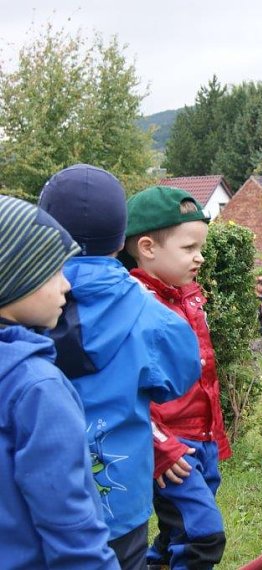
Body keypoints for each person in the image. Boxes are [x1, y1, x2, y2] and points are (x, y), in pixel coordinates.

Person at [38, 164, 203, 570]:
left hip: (42, 498)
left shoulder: (27, 299)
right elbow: (180, 375)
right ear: (121, 236)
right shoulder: (148, 310)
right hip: (119, 498)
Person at [0, 194, 120, 569]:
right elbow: (70, 526)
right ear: (16, 276)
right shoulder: (36, 389)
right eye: (53, 270)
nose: (67, 286)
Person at [123, 186, 232, 570]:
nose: (199, 258)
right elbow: (126, 391)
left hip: (201, 441)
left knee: (177, 531)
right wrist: (161, 446)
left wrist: (214, 437)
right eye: (189, 249)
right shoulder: (135, 306)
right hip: (169, 445)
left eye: (200, 247)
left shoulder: (188, 295)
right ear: (148, 248)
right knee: (203, 534)